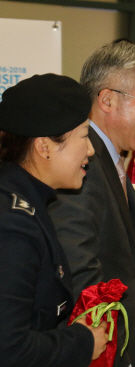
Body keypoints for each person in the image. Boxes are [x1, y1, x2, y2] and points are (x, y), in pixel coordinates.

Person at [49, 40, 135, 367]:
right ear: (108, 100)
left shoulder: (109, 159)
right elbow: (79, 269)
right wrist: (108, 344)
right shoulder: (81, 164)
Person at [0, 74, 108, 366]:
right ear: (44, 146)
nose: (91, 150)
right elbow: (9, 349)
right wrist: (83, 342)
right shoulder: (13, 225)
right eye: (84, 136)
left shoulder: (27, 204)